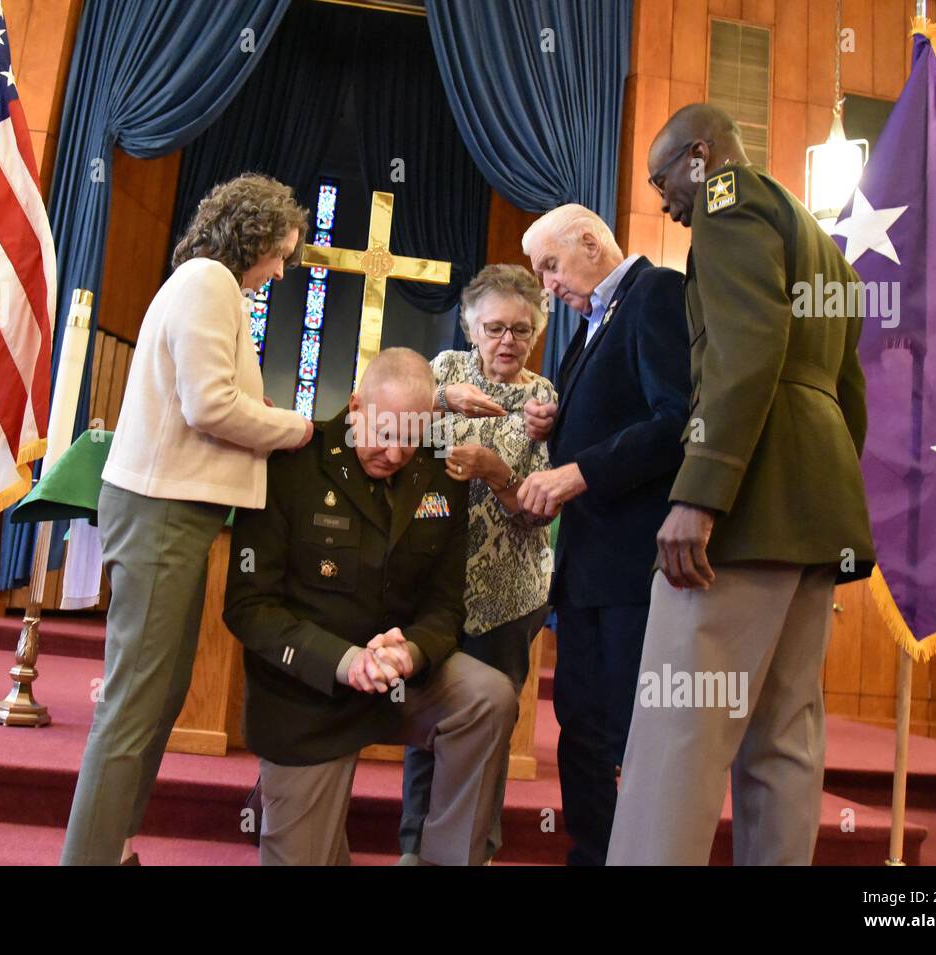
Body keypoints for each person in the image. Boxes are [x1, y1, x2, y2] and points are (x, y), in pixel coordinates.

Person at [607, 103, 875, 866]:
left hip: (745, 507)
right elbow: (845, 395)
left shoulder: (730, 201)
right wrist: (821, 508)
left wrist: (701, 492)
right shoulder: (821, 241)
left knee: (680, 732)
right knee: (784, 737)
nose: (665, 202)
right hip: (813, 512)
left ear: (701, 154)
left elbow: (745, 349)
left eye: (665, 182)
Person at [60, 174, 315, 866]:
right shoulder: (208, 281)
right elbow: (210, 405)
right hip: (158, 511)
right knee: (133, 703)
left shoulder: (209, 285)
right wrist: (297, 429)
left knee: (161, 692)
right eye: (281, 254)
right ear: (254, 236)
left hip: (174, 512)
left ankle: (113, 846)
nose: (281, 270)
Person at [224, 347, 518, 866]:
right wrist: (343, 661)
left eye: (411, 436)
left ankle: (443, 859)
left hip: (401, 684)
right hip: (308, 696)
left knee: (488, 697)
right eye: (383, 433)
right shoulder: (292, 464)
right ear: (356, 406)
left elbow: (446, 607)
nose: (396, 453)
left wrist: (414, 652)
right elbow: (250, 606)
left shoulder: (440, 476)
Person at [515, 204, 691, 866]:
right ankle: (593, 853)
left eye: (551, 265)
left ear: (591, 242)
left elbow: (677, 421)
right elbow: (612, 412)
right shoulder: (590, 324)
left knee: (632, 734)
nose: (547, 284)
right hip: (586, 568)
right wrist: (556, 421)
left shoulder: (656, 293)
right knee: (580, 728)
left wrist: (578, 470)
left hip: (633, 568)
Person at [398, 264, 557, 864]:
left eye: (520, 329)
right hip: (432, 585)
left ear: (536, 333)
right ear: (470, 327)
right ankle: (415, 845)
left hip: (507, 595)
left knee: (486, 732)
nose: (507, 341)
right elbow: (390, 428)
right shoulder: (443, 372)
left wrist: (498, 472)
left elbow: (536, 513)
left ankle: (472, 851)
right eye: (494, 328)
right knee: (426, 722)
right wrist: (439, 401)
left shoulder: (543, 400)